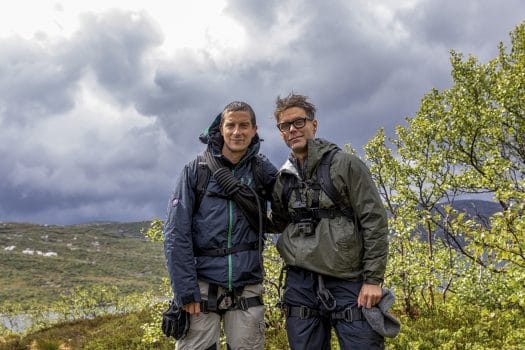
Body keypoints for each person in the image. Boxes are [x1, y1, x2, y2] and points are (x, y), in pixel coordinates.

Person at [270, 93, 389, 349]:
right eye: (285, 126)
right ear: (280, 133)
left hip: (348, 280)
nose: (292, 129)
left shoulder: (346, 165)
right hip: (300, 283)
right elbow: (277, 222)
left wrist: (373, 279)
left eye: (299, 122)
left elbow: (374, 221)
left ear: (314, 124)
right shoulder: (283, 178)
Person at [163, 101, 277, 350]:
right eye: (231, 125)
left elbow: (287, 208)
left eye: (244, 125)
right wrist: (185, 291)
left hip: (247, 285)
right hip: (201, 288)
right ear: (221, 129)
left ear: (254, 129)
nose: (238, 132)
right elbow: (175, 233)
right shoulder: (196, 170)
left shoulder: (262, 170)